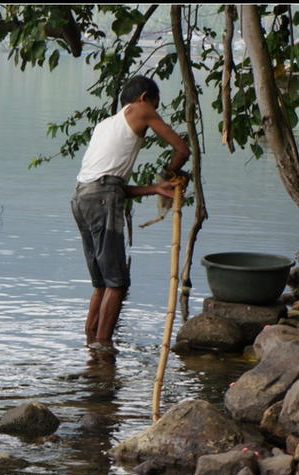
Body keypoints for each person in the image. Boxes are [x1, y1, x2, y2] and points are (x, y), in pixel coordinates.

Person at [71, 75, 190, 357]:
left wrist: (155, 189)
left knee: (102, 282)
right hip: (101, 198)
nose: (155, 112)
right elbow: (182, 149)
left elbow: (110, 185)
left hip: (80, 198)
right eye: (156, 105)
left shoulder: (105, 125)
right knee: (117, 282)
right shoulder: (141, 110)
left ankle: (91, 341)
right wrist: (169, 174)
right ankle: (102, 349)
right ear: (143, 97)